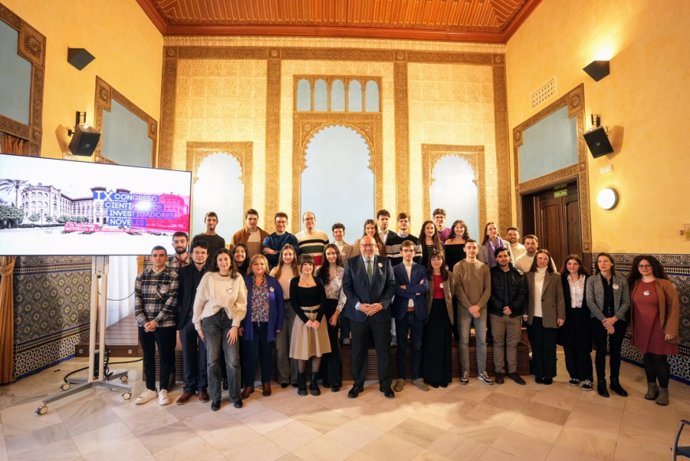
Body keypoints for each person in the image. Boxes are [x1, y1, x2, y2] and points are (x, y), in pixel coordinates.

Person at [192, 248, 247, 410]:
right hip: (211, 321)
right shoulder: (209, 277)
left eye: (226, 259)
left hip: (230, 321)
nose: (223, 262)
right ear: (216, 262)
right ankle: (215, 397)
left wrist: (236, 325)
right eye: (220, 259)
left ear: (231, 260)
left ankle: (235, 396)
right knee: (212, 361)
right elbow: (199, 301)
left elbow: (242, 304)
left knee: (232, 361)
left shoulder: (237, 278)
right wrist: (197, 325)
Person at [343, 235, 397, 399]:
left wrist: (382, 304)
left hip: (380, 314)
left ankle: (385, 385)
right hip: (358, 315)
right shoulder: (351, 263)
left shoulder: (385, 262)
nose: (368, 248)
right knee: (358, 351)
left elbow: (391, 285)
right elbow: (347, 287)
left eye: (371, 245)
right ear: (360, 247)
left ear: (376, 246)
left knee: (384, 350)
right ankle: (357, 384)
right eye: (365, 245)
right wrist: (359, 305)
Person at [628, 255, 681, 406]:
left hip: (660, 328)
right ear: (637, 269)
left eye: (647, 266)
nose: (644, 269)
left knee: (660, 360)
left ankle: (664, 390)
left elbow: (674, 306)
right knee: (647, 357)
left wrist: (671, 329)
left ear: (653, 267)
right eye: (641, 266)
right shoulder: (635, 284)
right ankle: (652, 387)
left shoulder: (664, 284)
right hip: (642, 328)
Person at [134, 246, 179, 406]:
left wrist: (156, 321)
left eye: (161, 255)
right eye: (155, 255)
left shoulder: (172, 275)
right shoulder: (142, 276)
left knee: (166, 358)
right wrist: (144, 321)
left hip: (165, 324)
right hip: (144, 324)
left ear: (166, 257)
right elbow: (137, 300)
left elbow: (171, 301)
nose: (158, 258)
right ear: (151, 258)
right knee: (148, 356)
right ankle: (150, 389)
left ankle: (163, 390)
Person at [585, 252, 630, 398]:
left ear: (611, 263)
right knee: (601, 352)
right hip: (598, 321)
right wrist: (605, 320)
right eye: (599, 261)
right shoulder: (592, 280)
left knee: (616, 352)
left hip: (618, 321)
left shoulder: (621, 280)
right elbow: (590, 302)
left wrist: (614, 319)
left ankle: (615, 382)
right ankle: (601, 382)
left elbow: (626, 302)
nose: (602, 264)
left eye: (605, 261)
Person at [240, 254, 284, 399]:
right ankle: (248, 385)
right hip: (249, 326)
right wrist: (239, 324)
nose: (259, 267)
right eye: (256, 264)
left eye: (262, 264)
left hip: (268, 326)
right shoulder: (244, 281)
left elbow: (280, 305)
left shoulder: (273, 282)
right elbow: (238, 304)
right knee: (249, 356)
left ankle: (266, 383)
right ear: (251, 266)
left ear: (265, 266)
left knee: (266, 356)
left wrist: (278, 325)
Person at [290, 255, 331, 396]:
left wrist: (318, 320)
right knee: (302, 351)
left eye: (310, 264)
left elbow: (324, 301)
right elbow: (294, 303)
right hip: (303, 320)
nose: (308, 267)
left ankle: (314, 382)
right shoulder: (294, 281)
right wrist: (306, 320)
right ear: (300, 266)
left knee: (317, 351)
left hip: (318, 319)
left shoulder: (318, 280)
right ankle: (302, 383)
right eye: (305, 264)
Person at [453, 239, 493, 385]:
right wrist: (470, 306)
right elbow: (457, 289)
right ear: (464, 249)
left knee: (482, 340)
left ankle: (482, 371)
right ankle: (465, 371)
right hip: (463, 309)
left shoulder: (484, 267)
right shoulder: (458, 266)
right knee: (463, 340)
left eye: (474, 248)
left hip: (481, 309)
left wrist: (478, 306)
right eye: (469, 247)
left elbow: (488, 289)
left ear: (477, 250)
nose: (471, 250)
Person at [392, 240, 429, 392]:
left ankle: (416, 377)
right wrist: (414, 289)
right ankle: (401, 377)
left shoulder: (421, 268)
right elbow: (394, 289)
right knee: (401, 347)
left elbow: (425, 287)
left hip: (417, 313)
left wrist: (406, 287)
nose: (408, 253)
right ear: (401, 252)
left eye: (411, 250)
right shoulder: (394, 269)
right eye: (405, 250)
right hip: (401, 313)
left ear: (414, 252)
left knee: (417, 346)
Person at [176, 241, 210, 405]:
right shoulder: (182, 272)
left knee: (204, 355)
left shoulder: (212, 273)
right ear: (191, 254)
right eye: (197, 252)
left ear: (207, 255)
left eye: (203, 252)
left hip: (206, 320)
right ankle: (189, 388)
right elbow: (178, 297)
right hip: (187, 319)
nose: (200, 255)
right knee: (188, 354)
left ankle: (202, 387)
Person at [524, 249, 564, 385]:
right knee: (536, 347)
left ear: (549, 260)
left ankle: (549, 374)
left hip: (550, 316)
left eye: (545, 258)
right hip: (533, 316)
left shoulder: (556, 276)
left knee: (549, 347)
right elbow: (525, 296)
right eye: (539, 258)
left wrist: (561, 315)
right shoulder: (528, 275)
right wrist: (524, 312)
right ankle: (539, 373)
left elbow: (560, 298)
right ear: (535, 260)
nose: (542, 261)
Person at [488, 247, 527, 385]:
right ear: (496, 258)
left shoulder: (518, 273)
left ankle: (513, 371)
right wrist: (501, 307)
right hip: (496, 314)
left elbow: (522, 293)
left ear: (509, 257)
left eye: (505, 256)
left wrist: (512, 307)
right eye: (500, 256)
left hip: (514, 315)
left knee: (512, 344)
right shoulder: (491, 273)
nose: (503, 258)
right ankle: (499, 371)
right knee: (498, 343)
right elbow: (489, 292)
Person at [316, 243, 347, 392]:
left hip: (335, 309)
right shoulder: (318, 271)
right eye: (328, 254)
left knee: (334, 344)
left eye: (333, 253)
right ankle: (325, 378)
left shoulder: (343, 271)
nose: (331, 256)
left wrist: (337, 313)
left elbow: (344, 294)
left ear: (337, 254)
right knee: (323, 343)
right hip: (321, 309)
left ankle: (336, 380)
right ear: (325, 255)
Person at [560, 254, 593, 390]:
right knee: (569, 347)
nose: (572, 266)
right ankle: (574, 375)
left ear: (579, 265)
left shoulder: (588, 279)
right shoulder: (562, 279)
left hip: (583, 315)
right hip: (568, 315)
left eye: (575, 264)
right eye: (569, 264)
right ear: (566, 266)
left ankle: (587, 378)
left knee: (583, 347)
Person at [422, 251, 454, 388]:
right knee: (432, 345)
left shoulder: (449, 275)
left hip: (445, 311)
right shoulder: (426, 275)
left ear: (443, 260)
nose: (436, 261)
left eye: (439, 258)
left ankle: (444, 376)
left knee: (445, 345)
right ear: (430, 261)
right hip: (431, 311)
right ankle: (432, 377)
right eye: (433, 259)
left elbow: (452, 293)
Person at [270, 244, 300, 388]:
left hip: (295, 308)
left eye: (290, 254)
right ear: (281, 256)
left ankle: (295, 377)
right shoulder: (275, 271)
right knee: (281, 346)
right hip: (279, 309)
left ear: (294, 256)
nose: (288, 256)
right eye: (285, 254)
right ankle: (283, 377)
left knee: (294, 343)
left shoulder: (299, 270)